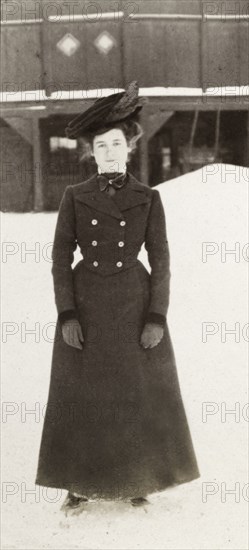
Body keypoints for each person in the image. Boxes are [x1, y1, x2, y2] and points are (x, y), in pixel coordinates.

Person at [35, 81, 200, 511]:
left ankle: (138, 475)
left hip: (132, 302)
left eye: (116, 145)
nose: (109, 153)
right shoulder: (75, 196)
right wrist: (67, 313)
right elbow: (59, 258)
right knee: (81, 393)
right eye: (101, 146)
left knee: (136, 391)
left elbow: (161, 261)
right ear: (92, 152)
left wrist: (156, 317)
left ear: (129, 148)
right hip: (87, 305)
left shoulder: (149, 198)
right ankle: (77, 481)